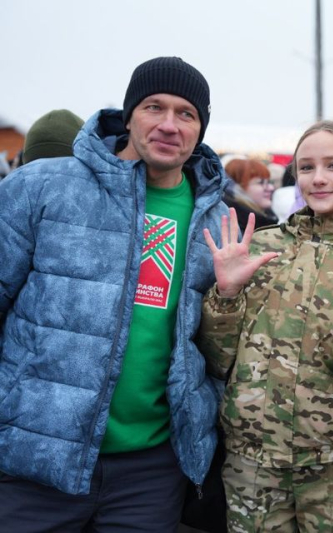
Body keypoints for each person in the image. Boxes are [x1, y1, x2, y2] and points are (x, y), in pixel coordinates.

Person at [0, 56, 228, 531]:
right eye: (153, 107)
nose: (169, 124)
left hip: (150, 471)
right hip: (34, 459)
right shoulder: (41, 188)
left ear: (200, 128)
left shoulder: (218, 221)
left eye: (186, 114)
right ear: (128, 116)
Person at [198, 120, 333, 532]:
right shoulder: (264, 247)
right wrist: (225, 294)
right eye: (306, 168)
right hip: (253, 464)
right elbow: (219, 362)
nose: (318, 179)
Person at [223, 158, 279, 230]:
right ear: (238, 188)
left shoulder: (265, 217)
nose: (271, 188)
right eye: (261, 183)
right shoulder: (235, 228)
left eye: (269, 182)